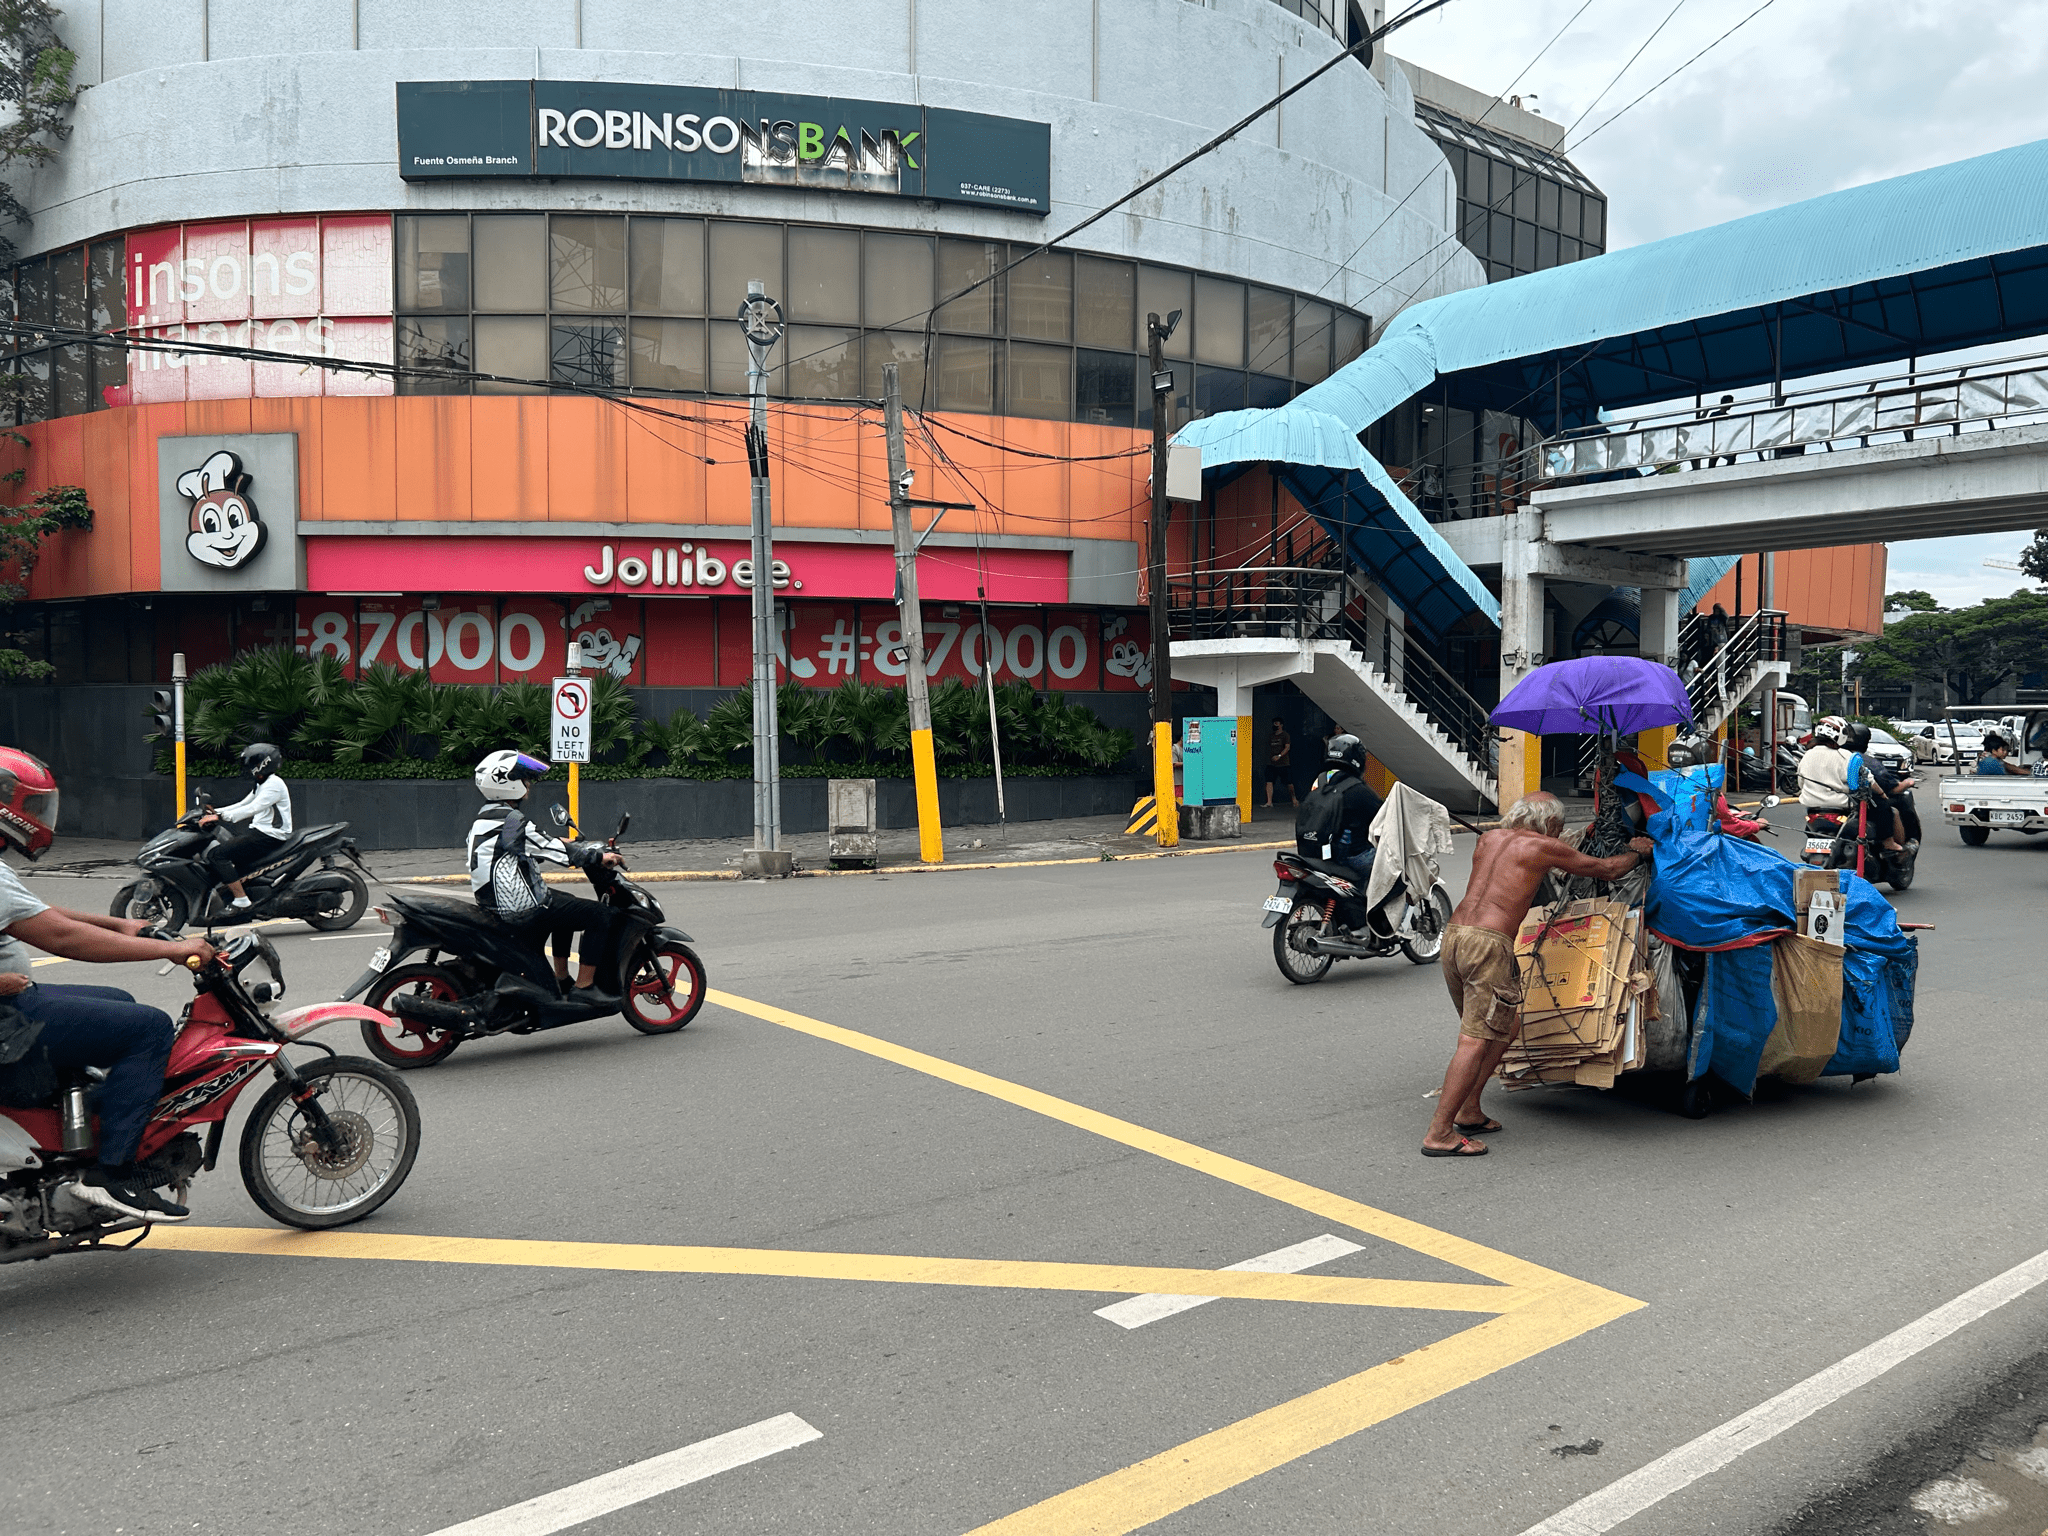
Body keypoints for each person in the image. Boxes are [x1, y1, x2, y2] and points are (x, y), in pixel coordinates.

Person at [0, 748, 218, 1222]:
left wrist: (118, 925)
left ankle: (73, 1130)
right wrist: (171, 950)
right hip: (7, 1018)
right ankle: (112, 1174)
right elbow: (61, 936)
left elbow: (35, 910)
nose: (38, 817)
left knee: (116, 1003)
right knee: (149, 1029)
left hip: (14, 1002)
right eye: (32, 806)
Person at [1423, 792, 1652, 1158]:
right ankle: (1439, 1132)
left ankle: (1469, 1109)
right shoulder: (1543, 846)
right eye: (1558, 828)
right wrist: (1639, 851)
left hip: (1454, 938)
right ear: (1550, 825)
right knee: (1475, 1039)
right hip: (1488, 944)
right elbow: (1607, 869)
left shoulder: (1490, 839)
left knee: (1506, 1026)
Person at [466, 750, 625, 997]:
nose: (528, 784)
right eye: (523, 778)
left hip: (495, 904)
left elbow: (516, 848)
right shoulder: (512, 819)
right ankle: (585, 987)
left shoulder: (485, 818)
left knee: (567, 904)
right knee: (601, 915)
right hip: (520, 906)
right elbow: (550, 848)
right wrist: (599, 857)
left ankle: (561, 977)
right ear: (507, 782)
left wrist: (554, 842)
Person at [199, 742, 292, 910]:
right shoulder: (263, 782)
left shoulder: (274, 785)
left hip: (270, 836)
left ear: (262, 764)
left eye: (251, 765)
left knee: (216, 856)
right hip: (261, 833)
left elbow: (253, 808)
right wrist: (214, 811)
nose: (248, 769)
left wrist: (220, 816)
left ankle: (241, 900)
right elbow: (243, 803)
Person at [1295, 734, 1383, 882]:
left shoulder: (1320, 781)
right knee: (1395, 869)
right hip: (1350, 855)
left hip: (1316, 852)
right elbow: (1383, 813)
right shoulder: (1358, 789)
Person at [1843, 723, 1916, 847]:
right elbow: (1888, 787)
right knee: (1888, 809)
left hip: (1823, 803)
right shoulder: (1863, 760)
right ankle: (1891, 844)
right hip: (1853, 804)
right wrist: (1907, 783)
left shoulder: (1830, 756)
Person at [1263, 720, 1296, 808]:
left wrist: (1279, 756)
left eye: (1277, 724)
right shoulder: (1271, 736)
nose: (1275, 726)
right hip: (1271, 763)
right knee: (1269, 781)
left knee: (1289, 782)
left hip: (1283, 763)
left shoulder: (1285, 735)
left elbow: (1287, 747)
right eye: (1274, 724)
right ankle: (1269, 802)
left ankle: (1294, 799)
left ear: (1281, 725)